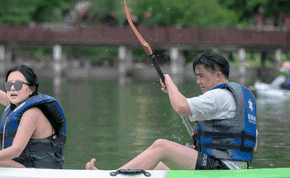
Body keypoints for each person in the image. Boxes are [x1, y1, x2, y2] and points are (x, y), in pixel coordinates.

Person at [86, 51, 257, 171]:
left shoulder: (219, 95)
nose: (198, 81)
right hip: (233, 168)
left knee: (162, 146)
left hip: (222, 170)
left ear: (219, 76)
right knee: (161, 166)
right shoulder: (238, 97)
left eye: (202, 76)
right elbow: (253, 145)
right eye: (197, 76)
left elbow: (182, 107)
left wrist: (169, 82)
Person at [0, 53, 66, 168]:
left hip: (39, 172)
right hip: (24, 167)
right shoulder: (17, 104)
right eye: (9, 85)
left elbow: (16, 150)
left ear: (31, 89)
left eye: (18, 84)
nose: (12, 88)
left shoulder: (32, 113)